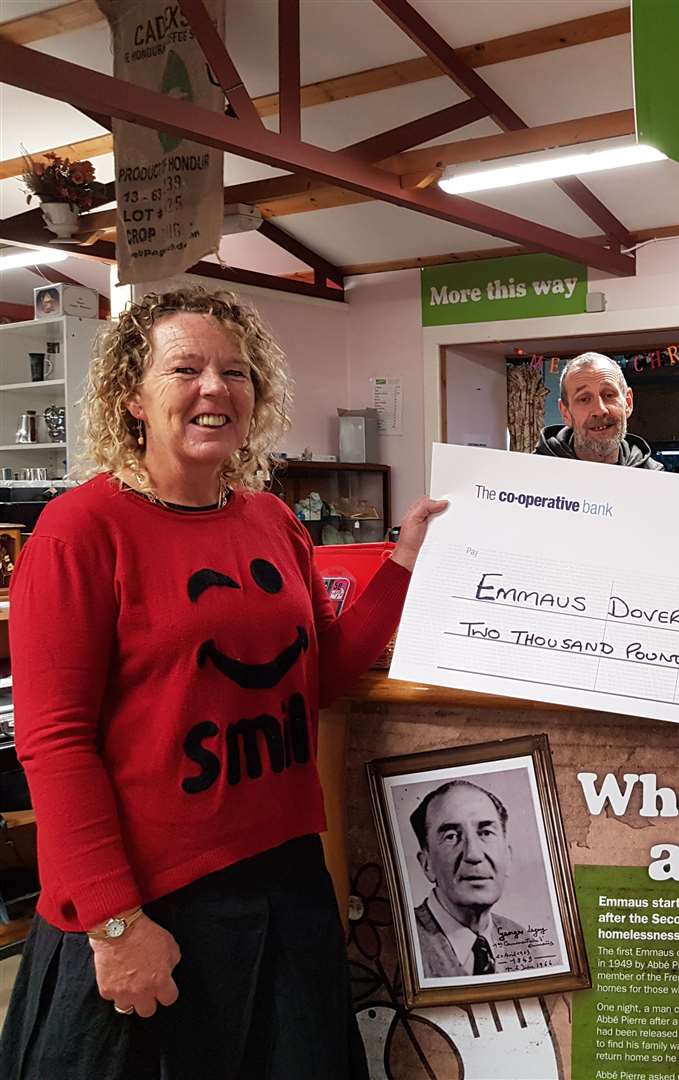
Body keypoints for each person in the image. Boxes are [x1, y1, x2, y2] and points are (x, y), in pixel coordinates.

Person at [0, 287, 448, 1079]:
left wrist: (404, 560)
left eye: (236, 372)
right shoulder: (80, 530)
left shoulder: (273, 521)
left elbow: (316, 678)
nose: (216, 388)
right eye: (187, 369)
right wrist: (113, 924)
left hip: (284, 880)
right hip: (151, 900)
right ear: (133, 397)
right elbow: (55, 742)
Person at [408, 780, 527, 978]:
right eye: (452, 836)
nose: (473, 854)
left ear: (507, 856)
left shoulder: (525, 943)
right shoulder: (403, 943)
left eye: (486, 833)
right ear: (426, 864)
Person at [534, 352, 662, 469]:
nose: (600, 410)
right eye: (584, 399)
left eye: (609, 395)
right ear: (565, 413)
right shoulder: (531, 475)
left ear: (628, 402)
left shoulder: (657, 480)